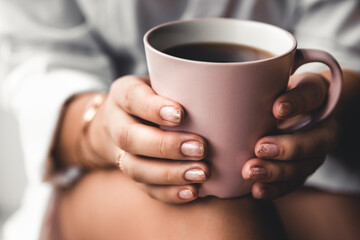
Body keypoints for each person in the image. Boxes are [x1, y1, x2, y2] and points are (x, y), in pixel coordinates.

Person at [1, 0, 360, 239]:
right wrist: (104, 129)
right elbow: (38, 66)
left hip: (307, 167)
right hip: (102, 171)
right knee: (220, 225)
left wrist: (316, 102)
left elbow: (345, 49)